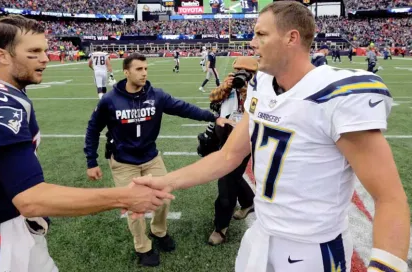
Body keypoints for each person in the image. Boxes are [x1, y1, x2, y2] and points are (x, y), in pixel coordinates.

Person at [132, 2, 410, 272]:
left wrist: (387, 266)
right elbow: (229, 155)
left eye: (261, 34)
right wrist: (164, 183)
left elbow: (389, 197)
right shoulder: (261, 84)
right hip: (261, 234)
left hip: (312, 247)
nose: (252, 42)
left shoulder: (336, 97)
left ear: (291, 38)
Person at [0, 15, 174, 272]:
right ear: (2, 55)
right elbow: (30, 199)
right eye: (33, 52)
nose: (44, 58)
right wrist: (125, 197)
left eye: (44, 49)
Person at [83, 53, 232, 267]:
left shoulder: (156, 96)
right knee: (134, 208)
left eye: (145, 69)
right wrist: (91, 161)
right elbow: (92, 130)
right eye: (138, 69)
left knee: (163, 197)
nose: (144, 73)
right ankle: (142, 246)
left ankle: (158, 230)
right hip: (124, 162)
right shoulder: (110, 100)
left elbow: (184, 108)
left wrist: (213, 117)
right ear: (126, 72)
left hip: (150, 157)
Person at [198, 56, 257, 246]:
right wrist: (226, 87)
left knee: (226, 179)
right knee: (232, 174)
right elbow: (212, 98)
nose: (241, 74)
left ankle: (220, 227)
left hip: (245, 136)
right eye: (238, 69)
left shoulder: (260, 88)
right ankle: (248, 201)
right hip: (225, 133)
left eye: (245, 71)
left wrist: (246, 90)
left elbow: (258, 108)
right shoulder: (228, 84)